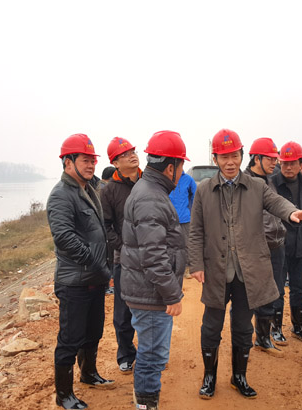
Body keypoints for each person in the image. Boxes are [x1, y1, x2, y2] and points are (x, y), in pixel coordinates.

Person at [188, 129, 302, 400]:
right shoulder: (204, 190)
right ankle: (209, 376)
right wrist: (196, 263)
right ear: (215, 158)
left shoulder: (256, 187)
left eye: (234, 155)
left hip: (247, 272)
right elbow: (196, 230)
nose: (230, 162)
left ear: (242, 155)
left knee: (244, 326)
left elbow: (276, 202)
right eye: (224, 157)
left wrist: (292, 212)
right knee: (211, 326)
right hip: (216, 270)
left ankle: (239, 376)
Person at [119, 131, 188, 410]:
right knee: (152, 356)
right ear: (171, 167)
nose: (181, 173)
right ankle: (146, 405)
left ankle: (146, 402)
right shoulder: (151, 198)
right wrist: (172, 295)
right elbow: (154, 256)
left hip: (146, 289)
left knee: (152, 353)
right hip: (150, 294)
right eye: (181, 167)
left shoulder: (149, 190)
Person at [47, 133, 115, 410]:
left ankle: (89, 373)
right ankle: (64, 394)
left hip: (95, 278)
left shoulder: (87, 189)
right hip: (75, 282)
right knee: (70, 339)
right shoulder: (61, 195)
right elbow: (64, 237)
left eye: (92, 160)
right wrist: (95, 262)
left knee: (93, 331)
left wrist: (103, 267)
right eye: (85, 160)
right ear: (68, 162)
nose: (91, 165)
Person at [100, 137, 142, 376]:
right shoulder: (110, 190)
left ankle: (149, 353)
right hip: (124, 259)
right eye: (124, 154)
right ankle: (126, 354)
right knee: (123, 311)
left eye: (132, 151)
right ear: (115, 163)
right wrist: (123, 247)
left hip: (151, 257)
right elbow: (106, 226)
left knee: (152, 308)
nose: (132, 156)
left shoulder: (150, 182)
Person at [271, 141, 302, 344]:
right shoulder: (272, 183)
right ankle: (275, 328)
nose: (288, 167)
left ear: (301, 163)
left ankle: (298, 327)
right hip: (278, 245)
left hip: (300, 244)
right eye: (284, 163)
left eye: (292, 163)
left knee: (299, 289)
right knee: (277, 289)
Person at [244, 137, 285, 356]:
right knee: (248, 295)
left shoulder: (271, 181)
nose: (274, 162)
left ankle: (263, 338)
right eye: (270, 159)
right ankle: (242, 342)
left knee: (272, 292)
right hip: (253, 248)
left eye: (275, 159)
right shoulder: (244, 182)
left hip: (275, 245)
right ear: (256, 158)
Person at [168, 170, 197, 278]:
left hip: (185, 218)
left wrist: (192, 212)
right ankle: (171, 269)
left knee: (187, 244)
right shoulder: (165, 178)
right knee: (169, 245)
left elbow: (196, 196)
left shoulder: (188, 179)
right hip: (168, 219)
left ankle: (187, 269)